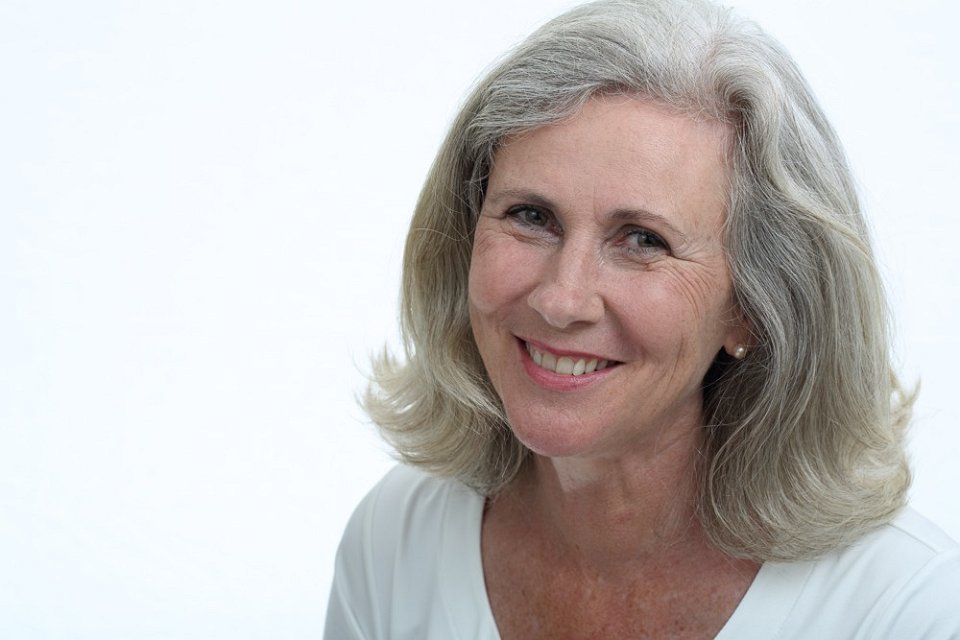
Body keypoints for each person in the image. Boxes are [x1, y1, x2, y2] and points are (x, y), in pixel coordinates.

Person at [325, 0, 960, 637]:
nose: (562, 300)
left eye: (643, 240)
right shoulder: (395, 543)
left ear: (751, 308)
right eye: (532, 217)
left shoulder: (910, 609)